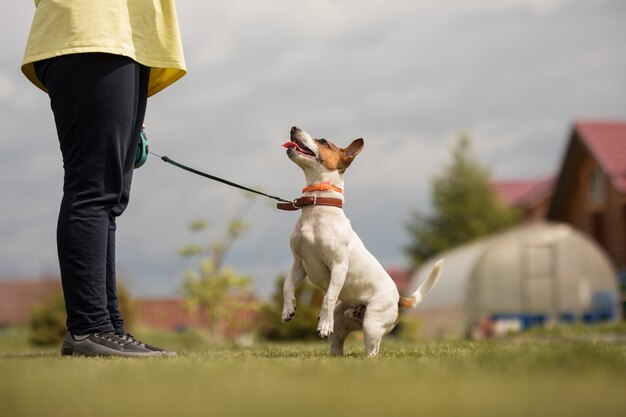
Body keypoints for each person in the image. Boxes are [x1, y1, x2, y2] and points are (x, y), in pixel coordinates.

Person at [21, 1, 186, 357]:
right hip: (90, 32)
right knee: (93, 189)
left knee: (110, 197)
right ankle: (88, 328)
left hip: (125, 41)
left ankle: (108, 329)